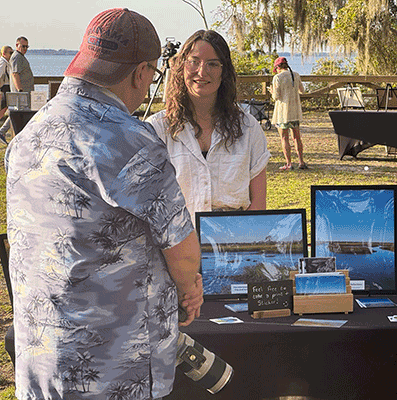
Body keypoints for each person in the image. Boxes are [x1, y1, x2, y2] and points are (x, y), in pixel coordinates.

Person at [5, 8, 203, 399]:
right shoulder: (130, 141)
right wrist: (189, 290)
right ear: (140, 73)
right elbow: (182, 251)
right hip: (111, 368)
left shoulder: (27, 136)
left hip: (42, 360)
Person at [147, 30, 270, 217]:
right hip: (174, 243)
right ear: (181, 67)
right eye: (194, 62)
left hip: (235, 241)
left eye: (212, 64)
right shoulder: (157, 129)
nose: (202, 71)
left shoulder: (249, 128)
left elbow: (259, 205)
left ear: (224, 72)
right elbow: (147, 205)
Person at [270, 56, 307, 170]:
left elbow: (276, 96)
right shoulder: (295, 75)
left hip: (283, 112)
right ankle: (301, 161)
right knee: (297, 137)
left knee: (284, 138)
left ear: (277, 67)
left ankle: (289, 163)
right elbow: (302, 90)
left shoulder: (278, 77)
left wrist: (271, 91)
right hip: (295, 110)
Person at [0, 45, 13, 144]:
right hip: (5, 88)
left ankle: (2, 131)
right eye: (10, 52)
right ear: (4, 54)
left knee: (7, 110)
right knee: (4, 110)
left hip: (7, 88)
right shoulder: (3, 62)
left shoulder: (6, 62)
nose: (12, 54)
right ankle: (2, 132)